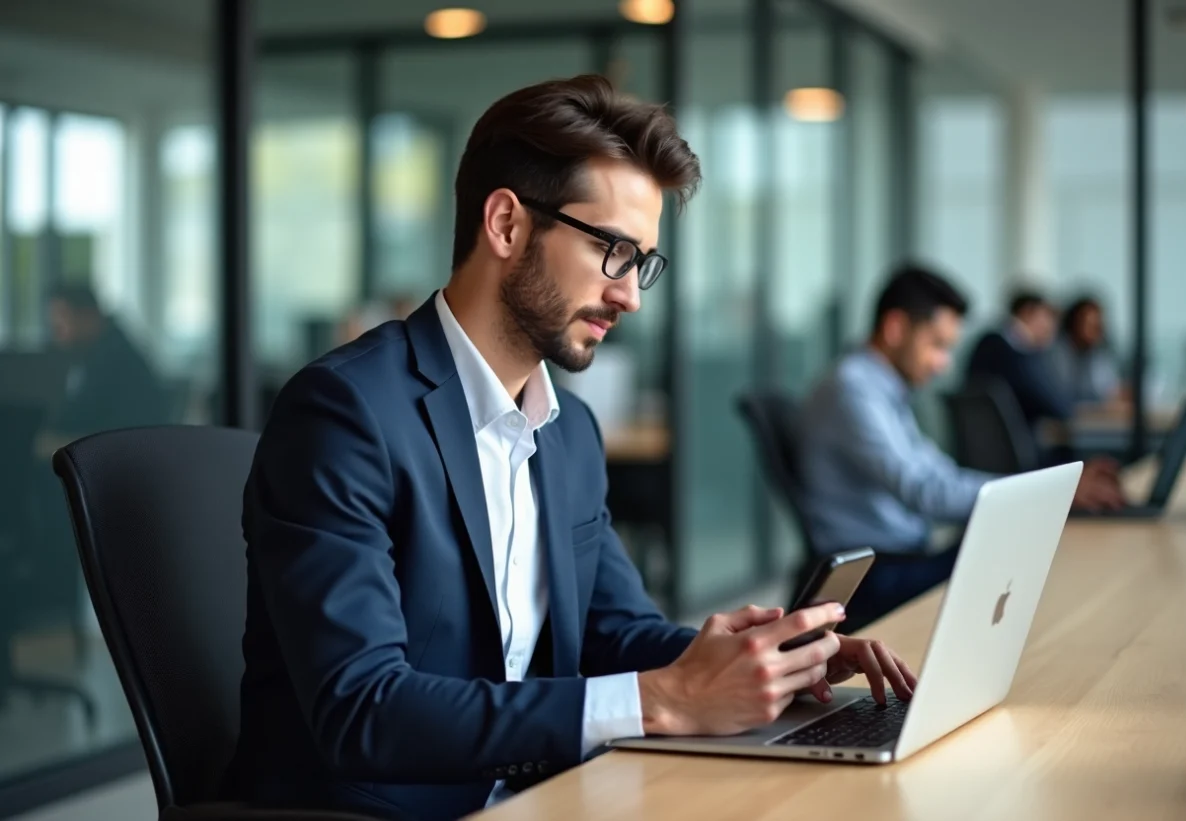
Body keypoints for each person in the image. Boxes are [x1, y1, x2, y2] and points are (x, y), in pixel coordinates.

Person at [223, 75, 916, 821]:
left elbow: (611, 630)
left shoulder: (570, 432)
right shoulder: (345, 413)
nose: (631, 296)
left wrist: (761, 660)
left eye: (642, 261)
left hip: (544, 794)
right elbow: (363, 708)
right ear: (507, 224)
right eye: (614, 250)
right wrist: (663, 700)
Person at [797, 266, 1124, 633]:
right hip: (872, 578)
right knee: (1015, 553)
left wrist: (1037, 491)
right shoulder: (853, 390)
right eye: (936, 345)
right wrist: (1042, 496)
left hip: (898, 559)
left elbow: (941, 474)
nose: (944, 363)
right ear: (895, 328)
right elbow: (923, 491)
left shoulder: (882, 390)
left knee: (1017, 545)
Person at [35, 283, 168, 457]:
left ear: (88, 316)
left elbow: (92, 420)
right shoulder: (102, 351)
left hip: (118, 458)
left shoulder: (114, 359)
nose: (56, 329)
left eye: (62, 318)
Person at [964, 290, 1073, 429]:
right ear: (1027, 312)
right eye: (1047, 317)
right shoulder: (1011, 353)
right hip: (1013, 443)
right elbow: (1055, 406)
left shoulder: (990, 342)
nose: (1051, 327)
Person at [1050, 295, 1124, 407]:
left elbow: (1108, 385)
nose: (1097, 332)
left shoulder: (1097, 351)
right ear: (1075, 324)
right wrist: (1106, 397)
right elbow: (1068, 394)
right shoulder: (1058, 353)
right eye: (1091, 325)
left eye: (1098, 326)